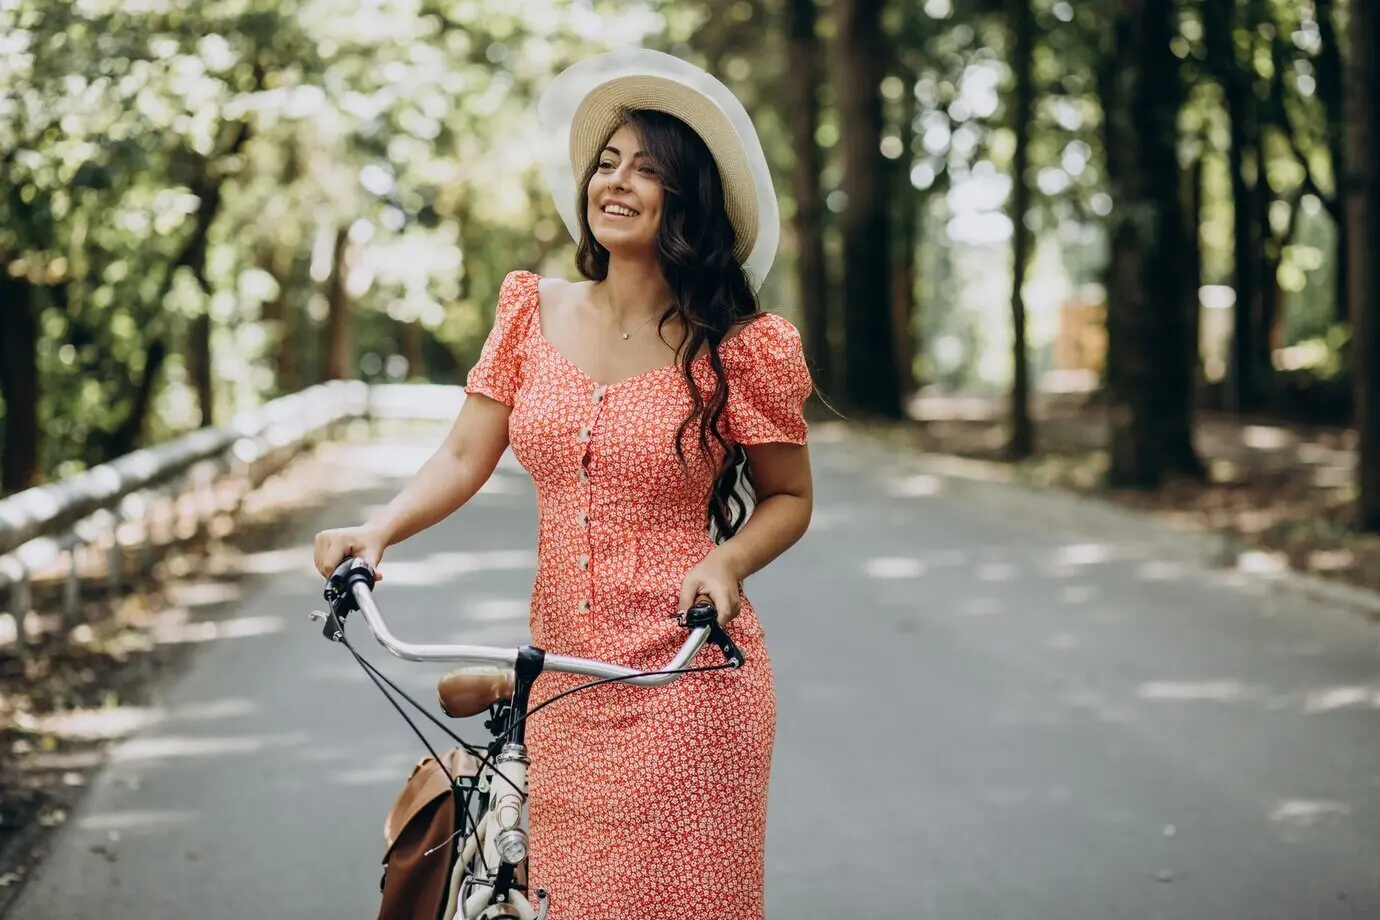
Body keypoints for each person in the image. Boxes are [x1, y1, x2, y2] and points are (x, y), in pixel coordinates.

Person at [312, 48, 814, 920]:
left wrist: (727, 565)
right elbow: (465, 455)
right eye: (606, 163)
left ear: (686, 202)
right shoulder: (530, 312)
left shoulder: (741, 346)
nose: (615, 183)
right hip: (568, 683)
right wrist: (379, 530)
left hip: (690, 680)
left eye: (646, 171)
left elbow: (790, 497)